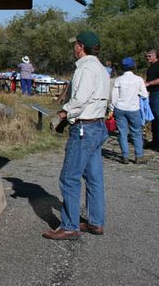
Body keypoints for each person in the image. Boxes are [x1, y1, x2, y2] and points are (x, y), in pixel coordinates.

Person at [43, 31, 109, 240]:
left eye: (75, 45)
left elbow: (80, 100)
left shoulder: (85, 69)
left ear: (81, 47)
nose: (74, 48)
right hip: (98, 125)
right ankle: (95, 222)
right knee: (94, 178)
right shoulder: (101, 69)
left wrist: (62, 114)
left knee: (69, 177)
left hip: (84, 128)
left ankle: (70, 225)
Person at [109, 57, 149, 164]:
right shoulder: (138, 79)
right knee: (136, 132)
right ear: (133, 67)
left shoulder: (118, 80)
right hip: (133, 108)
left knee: (122, 133)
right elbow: (144, 95)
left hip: (120, 108)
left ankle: (125, 156)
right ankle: (138, 156)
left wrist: (112, 109)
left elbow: (114, 96)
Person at [144, 49, 159, 152]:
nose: (147, 58)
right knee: (154, 118)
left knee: (158, 117)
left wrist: (149, 84)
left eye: (149, 56)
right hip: (153, 94)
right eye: (147, 56)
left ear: (155, 56)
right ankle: (155, 141)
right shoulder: (151, 67)